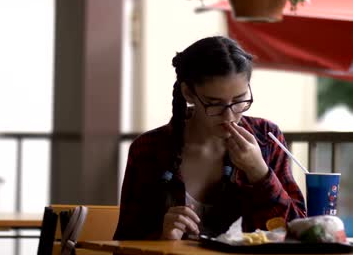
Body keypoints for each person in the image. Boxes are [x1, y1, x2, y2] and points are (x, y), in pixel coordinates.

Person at [113, 36, 306, 240]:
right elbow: (124, 241)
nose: (229, 115)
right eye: (214, 103)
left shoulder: (267, 138)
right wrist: (162, 237)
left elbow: (298, 233)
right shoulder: (150, 149)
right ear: (188, 92)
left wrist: (259, 172)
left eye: (240, 100)